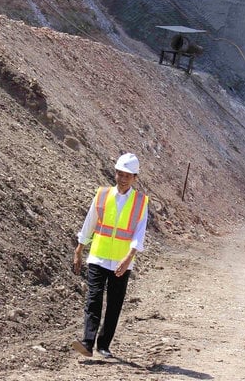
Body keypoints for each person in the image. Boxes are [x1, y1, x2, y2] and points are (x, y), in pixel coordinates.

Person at [72, 153, 149, 359]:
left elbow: (139, 232)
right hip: (98, 256)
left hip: (122, 261)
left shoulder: (141, 202)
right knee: (93, 298)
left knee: (114, 303)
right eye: (120, 174)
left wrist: (129, 257)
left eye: (128, 175)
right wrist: (79, 248)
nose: (123, 179)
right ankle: (87, 343)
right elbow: (90, 222)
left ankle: (104, 345)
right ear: (115, 174)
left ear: (135, 178)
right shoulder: (102, 195)